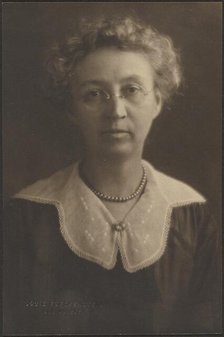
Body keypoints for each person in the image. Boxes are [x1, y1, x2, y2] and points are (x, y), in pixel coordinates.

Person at [3, 16, 220, 335]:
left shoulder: (192, 216)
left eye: (131, 90)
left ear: (157, 101)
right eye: (94, 94)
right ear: (71, 110)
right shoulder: (26, 216)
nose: (116, 110)